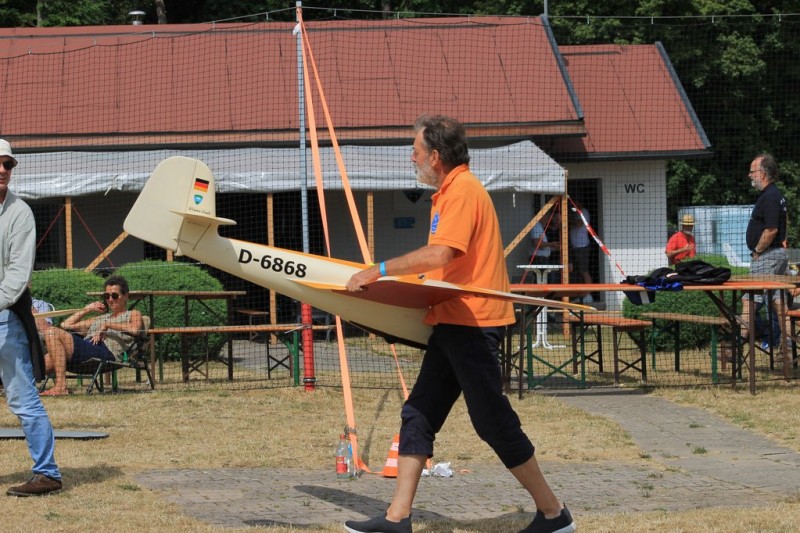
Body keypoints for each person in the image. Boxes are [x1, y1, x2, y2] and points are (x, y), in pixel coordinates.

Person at [343, 115, 575, 533]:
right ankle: (397, 518)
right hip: (452, 321)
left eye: (415, 151)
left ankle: (553, 513)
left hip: (473, 323)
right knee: (419, 412)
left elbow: (441, 254)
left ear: (435, 156)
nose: (411, 158)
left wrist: (378, 271)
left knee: (492, 422)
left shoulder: (463, 191)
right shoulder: (450, 192)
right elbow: (445, 265)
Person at [0, 138, 63, 496]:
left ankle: (48, 474)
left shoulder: (20, 213)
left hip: (6, 318)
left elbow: (16, 277)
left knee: (23, 399)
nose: (2, 169)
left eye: (8, 164)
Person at [40, 275, 143, 396]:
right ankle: (25, 387)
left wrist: (108, 325)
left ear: (125, 296)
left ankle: (61, 386)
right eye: (107, 296)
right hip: (86, 349)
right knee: (48, 356)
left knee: (52, 332)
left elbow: (135, 330)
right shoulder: (101, 318)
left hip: (106, 352)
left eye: (114, 295)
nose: (110, 299)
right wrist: (87, 309)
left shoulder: (133, 314)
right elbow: (66, 325)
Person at [740, 153, 788, 346]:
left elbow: (771, 230)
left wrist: (757, 251)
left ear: (762, 173)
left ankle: (738, 344)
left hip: (767, 255)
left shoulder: (769, 196)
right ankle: (788, 346)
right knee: (778, 301)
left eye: (752, 171)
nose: (749, 175)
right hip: (776, 255)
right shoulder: (774, 195)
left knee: (750, 300)